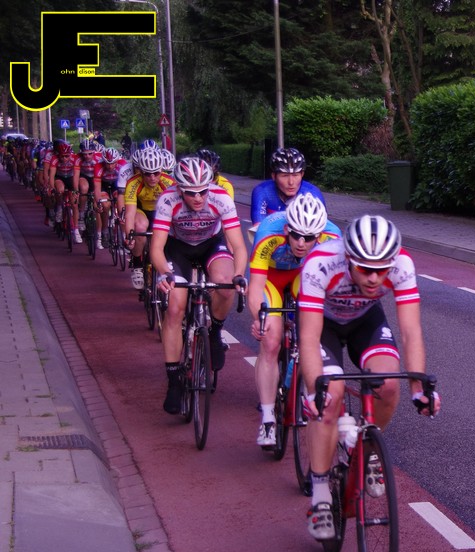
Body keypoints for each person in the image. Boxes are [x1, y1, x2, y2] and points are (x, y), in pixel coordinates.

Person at [297, 215, 439, 540]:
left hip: (365, 320)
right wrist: (314, 390)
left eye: (382, 270)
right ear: (348, 258)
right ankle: (320, 496)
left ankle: (367, 449)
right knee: (328, 399)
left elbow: (411, 330)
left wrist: (419, 389)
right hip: (323, 325)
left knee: (388, 385)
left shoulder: (402, 264)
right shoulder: (321, 263)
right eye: (365, 269)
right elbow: (308, 336)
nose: (375, 278)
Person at [151, 156, 248, 414]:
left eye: (203, 191)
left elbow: (238, 245)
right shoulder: (167, 200)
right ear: (179, 189)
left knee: (225, 284)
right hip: (178, 249)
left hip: (210, 245)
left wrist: (239, 275)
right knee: (174, 308)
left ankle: (215, 332)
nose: (198, 198)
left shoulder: (221, 198)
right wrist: (164, 273)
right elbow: (157, 247)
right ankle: (174, 380)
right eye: (191, 192)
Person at [248, 193, 341, 448]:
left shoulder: (333, 237)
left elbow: (333, 287)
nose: (301, 243)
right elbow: (255, 287)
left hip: (305, 276)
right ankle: (268, 419)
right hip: (272, 278)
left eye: (309, 238)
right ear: (287, 229)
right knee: (271, 341)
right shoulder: (268, 232)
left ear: (319, 235)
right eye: (296, 235)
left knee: (314, 334)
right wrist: (259, 319)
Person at [124, 147, 175, 289]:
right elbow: (129, 214)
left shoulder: (169, 182)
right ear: (141, 172)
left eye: (156, 173)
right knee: (140, 227)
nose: (152, 178)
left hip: (161, 212)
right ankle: (137, 265)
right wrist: (129, 236)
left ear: (161, 170)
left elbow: (176, 211)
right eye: (147, 174)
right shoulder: (133, 183)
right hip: (141, 210)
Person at [250, 147, 326, 234]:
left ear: (302, 174)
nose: (291, 182)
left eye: (295, 175)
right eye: (285, 176)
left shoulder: (313, 193)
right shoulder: (262, 192)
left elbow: (323, 231)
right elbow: (259, 231)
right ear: (274, 176)